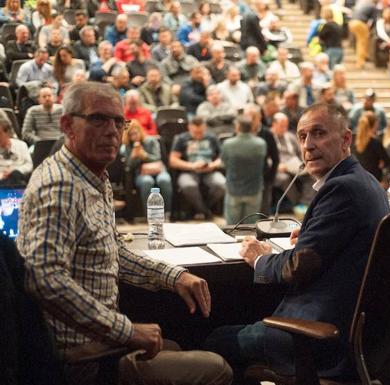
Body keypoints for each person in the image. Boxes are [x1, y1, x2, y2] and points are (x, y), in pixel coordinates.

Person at [16, 82, 232, 385]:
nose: (112, 131)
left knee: (178, 345)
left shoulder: (93, 175)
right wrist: (127, 330)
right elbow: (44, 278)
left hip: (102, 342)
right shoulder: (61, 185)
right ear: (67, 125)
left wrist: (174, 276)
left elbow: (113, 250)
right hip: (81, 357)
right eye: (98, 119)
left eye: (119, 121)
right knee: (217, 367)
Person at [203, 103, 390, 381]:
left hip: (320, 333)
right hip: (357, 327)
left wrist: (259, 258)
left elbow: (300, 265)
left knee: (213, 339)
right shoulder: (366, 181)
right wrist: (312, 232)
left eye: (318, 133)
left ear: (346, 139)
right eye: (302, 136)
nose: (308, 145)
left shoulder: (342, 188)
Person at [169, 116, 226, 219]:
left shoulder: (212, 138)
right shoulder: (181, 139)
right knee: (188, 186)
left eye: (201, 132)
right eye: (196, 133)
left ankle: (202, 208)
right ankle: (205, 212)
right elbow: (173, 160)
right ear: (189, 127)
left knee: (221, 184)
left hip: (209, 170)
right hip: (189, 170)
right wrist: (192, 166)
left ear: (205, 128)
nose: (199, 135)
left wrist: (212, 165)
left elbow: (222, 158)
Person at [220, 116, 267, 224]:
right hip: (254, 189)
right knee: (250, 226)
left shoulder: (228, 144)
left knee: (232, 226)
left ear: (237, 127)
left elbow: (224, 164)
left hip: (234, 189)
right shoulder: (261, 143)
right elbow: (264, 165)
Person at [120, 120, 172, 212]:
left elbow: (157, 158)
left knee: (164, 180)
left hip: (158, 169)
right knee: (147, 182)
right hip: (141, 173)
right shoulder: (127, 146)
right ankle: (149, 213)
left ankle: (167, 212)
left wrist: (144, 156)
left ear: (140, 131)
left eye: (135, 133)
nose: (134, 137)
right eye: (130, 135)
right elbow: (128, 168)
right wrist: (132, 157)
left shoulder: (151, 141)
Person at [353, 112, 390, 182]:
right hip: (374, 178)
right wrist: (381, 163)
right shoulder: (375, 142)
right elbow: (387, 161)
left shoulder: (355, 142)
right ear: (375, 124)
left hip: (360, 177)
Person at [0, 110, 32, 185]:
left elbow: (29, 165)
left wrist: (15, 171)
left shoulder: (21, 145)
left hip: (19, 180)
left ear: (7, 133)